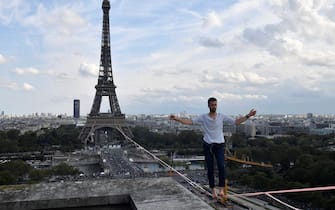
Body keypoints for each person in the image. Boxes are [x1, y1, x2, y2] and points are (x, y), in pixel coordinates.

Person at [169, 97, 256, 199]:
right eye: (212, 105)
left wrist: (248, 115)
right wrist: (176, 118)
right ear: (208, 106)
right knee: (210, 168)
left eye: (215, 105)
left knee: (221, 166)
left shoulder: (221, 116)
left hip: (219, 145)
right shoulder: (204, 117)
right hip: (208, 144)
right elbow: (189, 122)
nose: (214, 106)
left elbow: (236, 122)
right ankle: (213, 189)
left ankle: (221, 189)